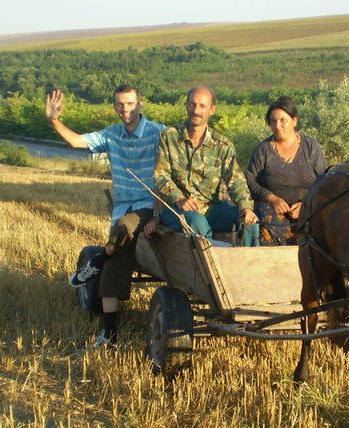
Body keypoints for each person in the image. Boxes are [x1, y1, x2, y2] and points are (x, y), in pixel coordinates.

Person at [46, 85, 164, 348]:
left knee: (122, 229)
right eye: (120, 104)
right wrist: (54, 120)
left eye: (131, 104)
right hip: (123, 206)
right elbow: (76, 141)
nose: (126, 109)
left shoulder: (159, 132)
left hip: (149, 204)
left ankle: (96, 259)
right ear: (115, 106)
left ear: (140, 105)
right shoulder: (111, 134)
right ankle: (109, 334)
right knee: (114, 268)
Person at [153, 86, 259, 244]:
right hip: (176, 209)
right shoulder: (169, 137)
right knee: (198, 223)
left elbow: (236, 180)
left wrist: (246, 208)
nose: (196, 110)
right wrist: (179, 199)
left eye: (202, 106)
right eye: (192, 104)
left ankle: (251, 265)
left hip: (211, 208)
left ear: (212, 110)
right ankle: (211, 267)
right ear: (187, 106)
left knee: (251, 223)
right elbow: (160, 175)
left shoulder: (222, 145)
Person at [245, 96, 327, 245]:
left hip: (307, 208)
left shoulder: (311, 147)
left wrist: (306, 204)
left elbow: (324, 180)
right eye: (273, 121)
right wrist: (272, 199)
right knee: (266, 224)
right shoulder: (263, 149)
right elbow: (250, 179)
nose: (278, 125)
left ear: (294, 121)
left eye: (283, 120)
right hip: (271, 209)